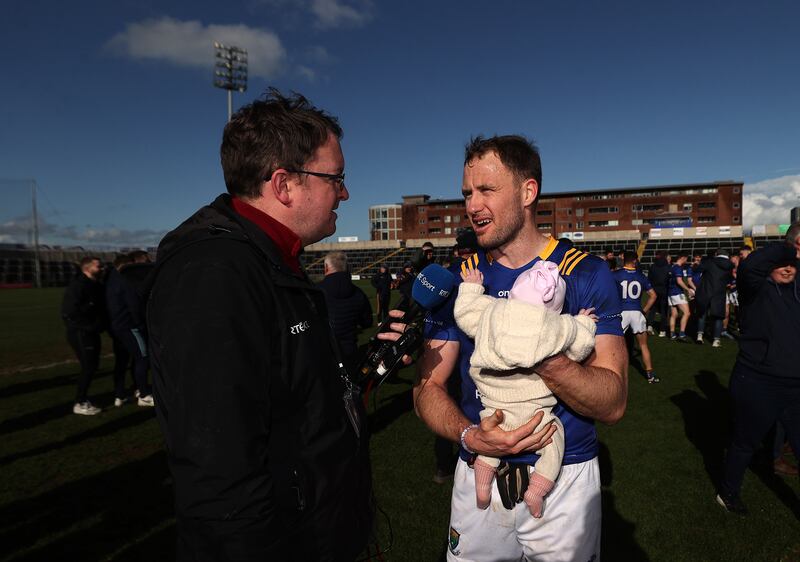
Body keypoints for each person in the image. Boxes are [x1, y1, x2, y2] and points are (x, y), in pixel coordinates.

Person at [145, 89, 372, 560]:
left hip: (316, 529)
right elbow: (218, 466)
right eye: (337, 178)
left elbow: (289, 391)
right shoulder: (214, 276)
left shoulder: (268, 260)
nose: (345, 192)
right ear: (285, 184)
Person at [413, 135, 626, 561]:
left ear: (528, 192)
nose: (472, 205)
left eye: (486, 190)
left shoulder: (585, 274)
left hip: (563, 474)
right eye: (467, 193)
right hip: (477, 470)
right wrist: (469, 436)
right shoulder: (461, 282)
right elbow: (425, 388)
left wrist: (539, 349)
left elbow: (613, 402)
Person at [454, 262, 596, 518]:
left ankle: (482, 488)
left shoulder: (491, 311)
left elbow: (465, 314)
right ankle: (536, 492)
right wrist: (585, 322)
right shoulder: (557, 326)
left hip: (494, 406)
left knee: (488, 445)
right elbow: (581, 347)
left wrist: (471, 288)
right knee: (554, 443)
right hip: (536, 414)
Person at [716, 223, 800, 514]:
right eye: (782, 263)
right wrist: (790, 248)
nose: (788, 268)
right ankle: (728, 493)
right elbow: (752, 265)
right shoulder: (755, 287)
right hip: (757, 381)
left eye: (793, 264)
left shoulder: (796, 289)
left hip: (795, 385)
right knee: (744, 443)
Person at [433, 228, 478, 484]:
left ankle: (442, 465)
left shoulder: (446, 276)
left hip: (443, 353)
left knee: (444, 404)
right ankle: (472, 458)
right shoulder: (482, 272)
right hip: (470, 353)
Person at [105, 254, 155, 406]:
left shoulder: (111, 279)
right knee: (143, 357)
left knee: (123, 361)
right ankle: (144, 394)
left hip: (118, 326)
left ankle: (120, 394)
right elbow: (134, 306)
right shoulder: (125, 280)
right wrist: (141, 324)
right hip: (130, 326)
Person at [61, 256, 106, 415]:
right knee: (89, 367)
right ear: (87, 268)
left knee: (92, 366)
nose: (101, 269)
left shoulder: (96, 285)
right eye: (98, 266)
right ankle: (80, 402)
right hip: (81, 332)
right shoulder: (78, 286)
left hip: (91, 331)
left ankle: (82, 399)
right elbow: (69, 313)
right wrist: (89, 325)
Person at [318, 251, 373, 376]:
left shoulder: (316, 291)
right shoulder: (358, 293)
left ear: (326, 267)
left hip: (324, 351)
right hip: (350, 350)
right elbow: (367, 322)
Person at [613, 251, 658, 383]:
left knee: (614, 345)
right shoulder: (641, 276)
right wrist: (644, 310)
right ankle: (650, 375)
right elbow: (653, 295)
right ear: (635, 261)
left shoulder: (615, 275)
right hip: (636, 312)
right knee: (643, 345)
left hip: (621, 313)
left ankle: (614, 373)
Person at [694, 249, 734, 348]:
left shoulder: (710, 262)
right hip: (719, 293)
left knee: (702, 314)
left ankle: (699, 335)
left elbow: (697, 269)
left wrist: (695, 264)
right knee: (718, 317)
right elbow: (729, 280)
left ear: (717, 254)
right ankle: (716, 340)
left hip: (706, 290)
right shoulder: (730, 265)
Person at [668, 252, 694, 342]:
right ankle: (682, 334)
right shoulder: (678, 268)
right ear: (683, 258)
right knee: (687, 313)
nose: (686, 260)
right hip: (677, 293)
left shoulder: (672, 267)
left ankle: (672, 334)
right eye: (686, 258)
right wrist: (688, 289)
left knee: (674, 314)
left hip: (670, 293)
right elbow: (679, 281)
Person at [647, 250, 671, 337]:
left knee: (652, 309)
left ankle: (649, 326)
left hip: (654, 290)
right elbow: (669, 280)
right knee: (664, 311)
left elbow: (649, 279)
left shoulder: (652, 266)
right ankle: (662, 330)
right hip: (664, 290)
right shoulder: (668, 267)